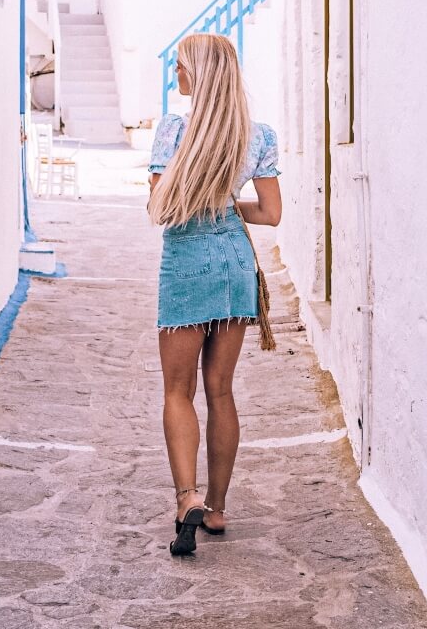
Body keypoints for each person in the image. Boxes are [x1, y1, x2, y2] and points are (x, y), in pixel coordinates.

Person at [148, 32, 282, 556]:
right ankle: (218, 508)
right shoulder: (258, 136)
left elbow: (160, 209)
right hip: (234, 266)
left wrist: (198, 200)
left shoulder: (173, 131)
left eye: (179, 66)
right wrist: (228, 208)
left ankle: (187, 499)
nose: (175, 75)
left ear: (197, 73)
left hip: (186, 264)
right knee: (221, 390)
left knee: (177, 391)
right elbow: (270, 214)